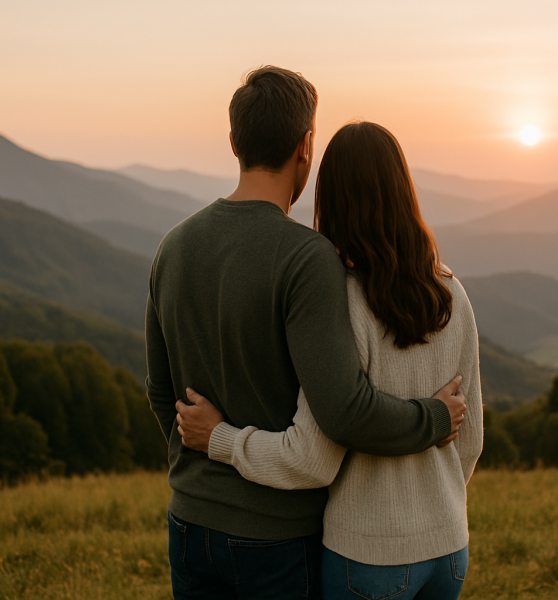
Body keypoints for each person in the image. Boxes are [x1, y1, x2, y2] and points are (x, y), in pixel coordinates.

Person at [145, 67, 467, 600]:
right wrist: (434, 417)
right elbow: (344, 410)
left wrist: (199, 475)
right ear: (305, 145)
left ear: (233, 143)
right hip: (276, 539)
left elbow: (161, 392)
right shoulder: (306, 257)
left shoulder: (173, 246)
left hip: (188, 524)